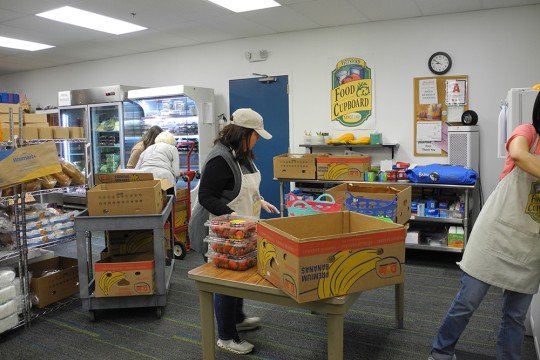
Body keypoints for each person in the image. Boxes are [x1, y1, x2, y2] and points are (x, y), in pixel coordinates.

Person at [429, 91, 540, 360]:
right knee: (467, 302)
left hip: (529, 244)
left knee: (514, 316)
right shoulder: (529, 133)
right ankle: (441, 353)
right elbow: (519, 154)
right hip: (495, 234)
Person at [188, 108, 279, 355]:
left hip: (240, 230)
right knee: (225, 283)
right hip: (217, 230)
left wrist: (260, 200)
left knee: (239, 272)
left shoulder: (243, 155)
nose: (258, 140)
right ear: (243, 134)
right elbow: (207, 196)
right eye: (256, 136)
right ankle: (227, 337)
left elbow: (242, 189)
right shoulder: (220, 159)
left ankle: (236, 319)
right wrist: (232, 215)